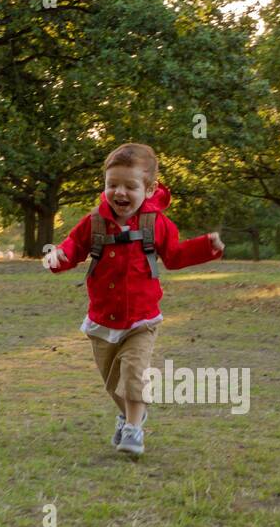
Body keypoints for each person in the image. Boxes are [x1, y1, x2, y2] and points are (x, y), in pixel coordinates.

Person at [44, 143, 224, 458]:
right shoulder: (94, 222)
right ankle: (130, 415)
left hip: (142, 319)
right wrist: (58, 256)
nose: (120, 192)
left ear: (150, 188)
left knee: (134, 374)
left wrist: (204, 247)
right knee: (113, 383)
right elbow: (73, 247)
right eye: (112, 185)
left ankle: (133, 429)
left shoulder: (156, 224)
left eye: (130, 186)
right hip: (102, 319)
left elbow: (176, 256)